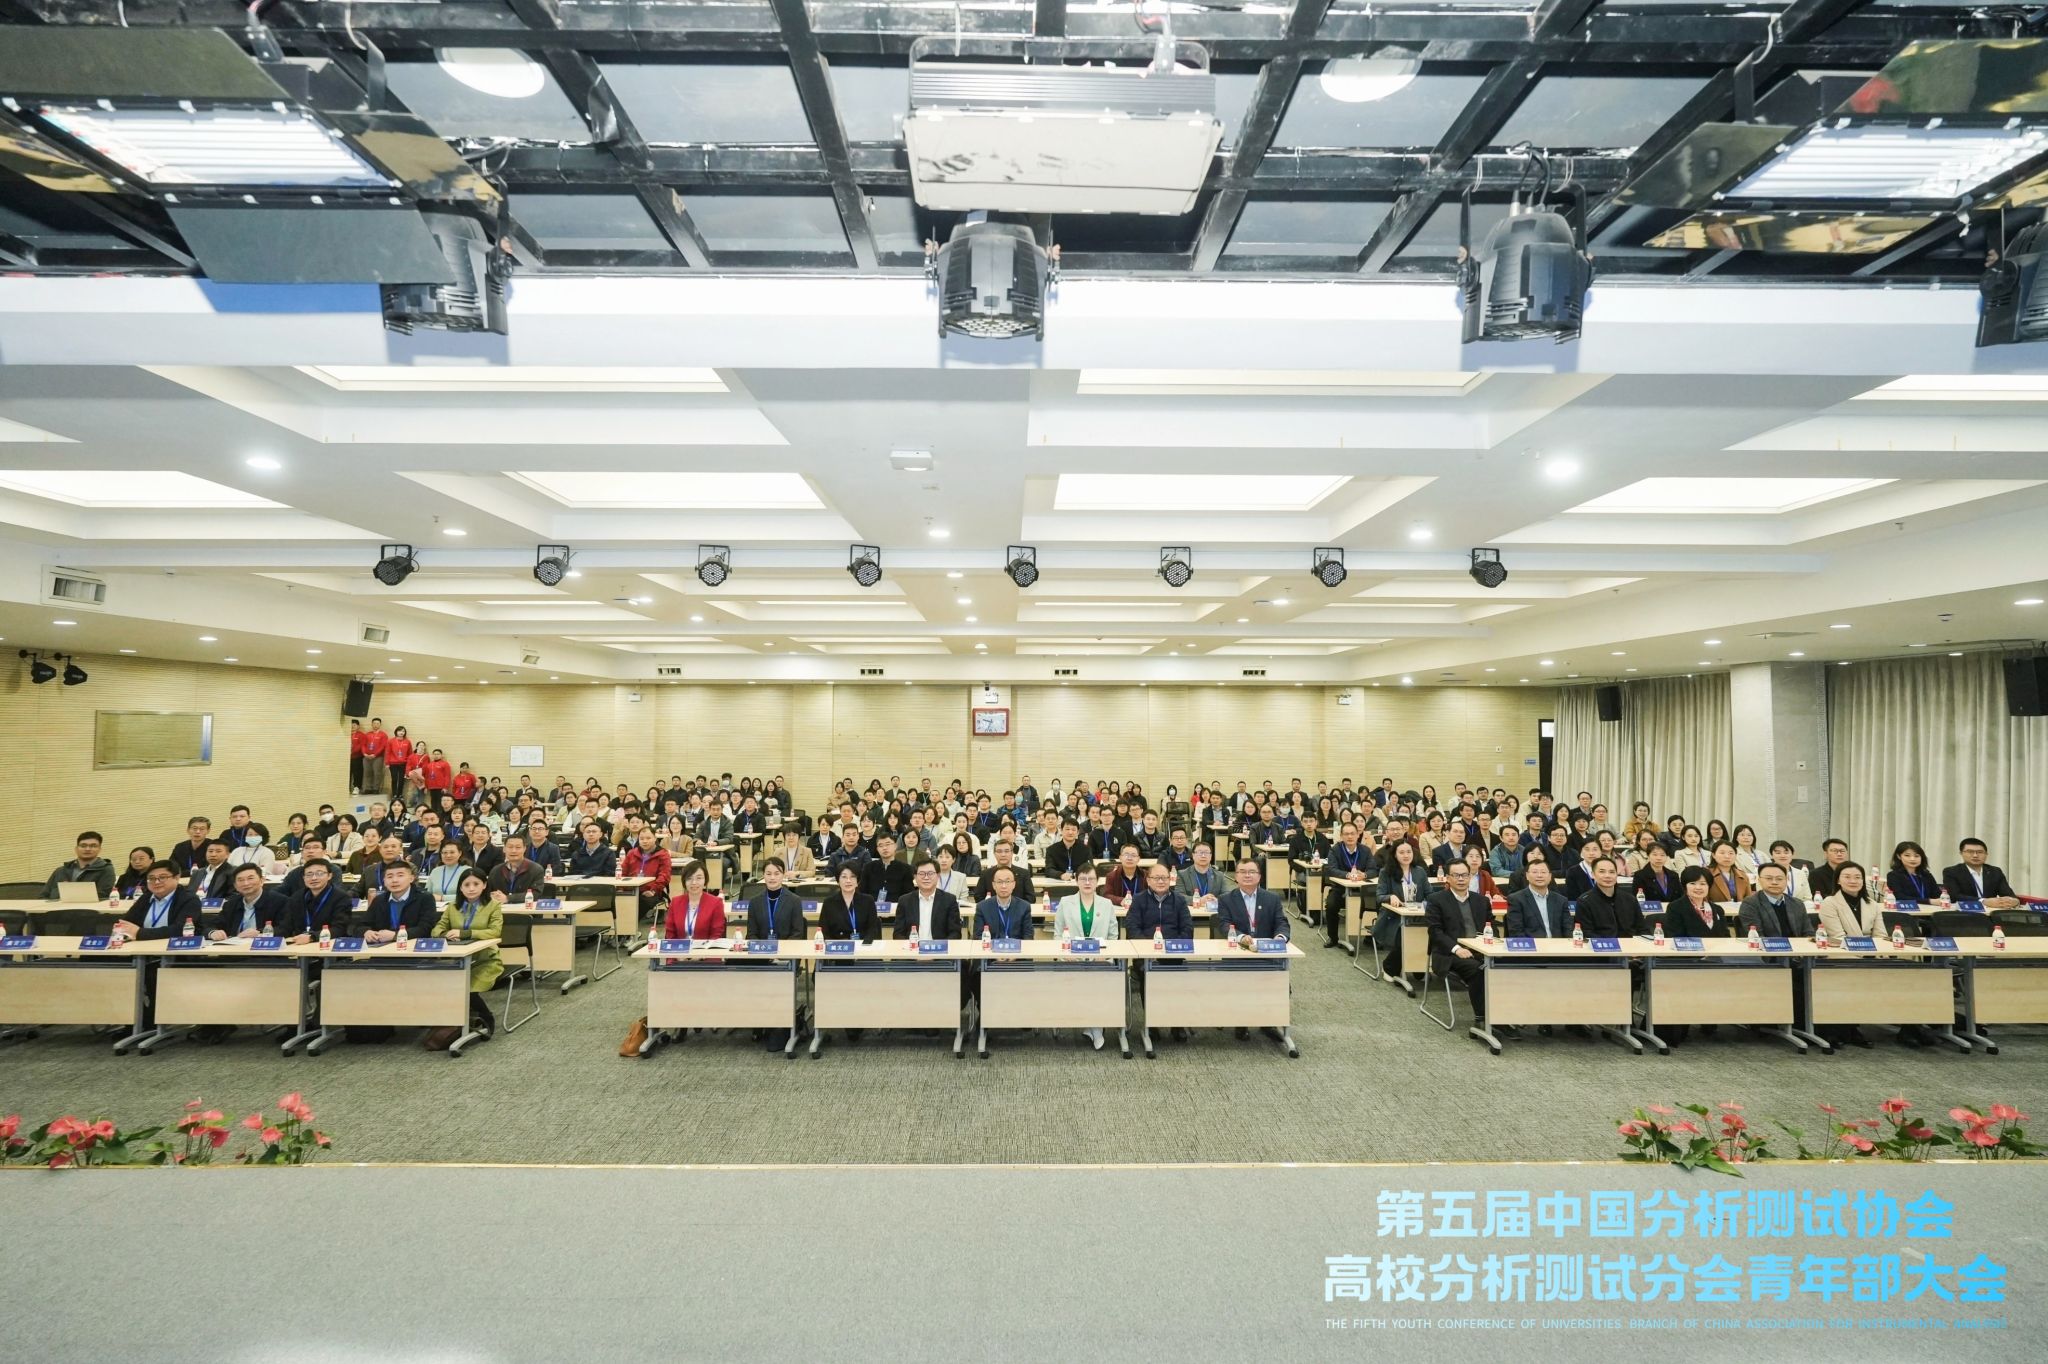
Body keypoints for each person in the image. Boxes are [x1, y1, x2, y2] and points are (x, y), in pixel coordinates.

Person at [429, 869, 504, 1043]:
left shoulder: (493, 906)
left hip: (486, 959)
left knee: (465, 986)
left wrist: (465, 934)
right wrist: (445, 934)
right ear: (460, 888)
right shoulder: (452, 907)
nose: (471, 888)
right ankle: (454, 1020)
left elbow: (495, 931)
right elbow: (436, 930)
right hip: (456, 960)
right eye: (466, 885)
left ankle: (485, 1016)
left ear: (484, 885)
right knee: (442, 984)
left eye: (476, 884)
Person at [1051, 865, 1117, 1049]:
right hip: (1072, 959)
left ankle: (1094, 1027)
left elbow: (1113, 936)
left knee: (1097, 981)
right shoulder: (1065, 902)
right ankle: (1095, 1027)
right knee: (1084, 981)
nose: (1087, 883)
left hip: (1100, 959)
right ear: (1076, 881)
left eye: (1091, 879)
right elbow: (1057, 935)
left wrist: (1106, 955)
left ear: (1098, 882)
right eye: (1083, 879)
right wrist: (1065, 955)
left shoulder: (1106, 904)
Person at [1422, 861, 1490, 1023]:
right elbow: (1435, 932)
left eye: (1465, 875)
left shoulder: (1481, 900)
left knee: (1504, 967)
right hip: (1449, 954)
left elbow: (1490, 925)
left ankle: (1506, 1015)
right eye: (1456, 875)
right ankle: (1484, 1018)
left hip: (1480, 950)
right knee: (1479, 970)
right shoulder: (1436, 900)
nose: (1461, 879)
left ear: (1470, 877)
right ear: (1448, 878)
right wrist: (1456, 948)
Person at [113, 862, 200, 941]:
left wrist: (139, 933)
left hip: (174, 949)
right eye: (151, 878)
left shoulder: (189, 899)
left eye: (162, 877)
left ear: (176, 878)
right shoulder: (145, 898)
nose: (156, 882)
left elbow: (179, 930)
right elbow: (126, 923)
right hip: (142, 948)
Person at [364, 860, 438, 946]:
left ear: (411, 878)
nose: (394, 880)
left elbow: (426, 929)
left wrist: (396, 935)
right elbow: (362, 925)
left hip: (413, 948)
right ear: (384, 881)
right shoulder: (379, 900)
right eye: (390, 876)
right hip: (382, 948)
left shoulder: (425, 898)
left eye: (400, 876)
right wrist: (367, 932)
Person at [208, 864, 287, 940]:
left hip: (264, 947)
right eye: (240, 880)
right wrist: (213, 932)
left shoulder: (279, 901)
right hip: (235, 947)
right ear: (235, 886)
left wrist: (260, 933)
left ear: (262, 880)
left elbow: (285, 928)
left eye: (250, 878)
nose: (246, 883)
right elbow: (211, 925)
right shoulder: (231, 903)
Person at [1218, 857, 1288, 942]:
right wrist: (1241, 937)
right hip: (1238, 946)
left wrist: (1280, 937)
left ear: (1259, 876)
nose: (1247, 875)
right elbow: (1224, 925)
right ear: (1236, 876)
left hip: (1266, 947)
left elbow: (1281, 922)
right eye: (1242, 872)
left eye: (1252, 872)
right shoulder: (1225, 899)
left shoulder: (1272, 898)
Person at [1573, 858, 1645, 937]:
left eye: (1612, 872)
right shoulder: (1585, 901)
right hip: (1602, 943)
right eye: (1602, 872)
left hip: (1631, 942)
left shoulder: (1630, 899)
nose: (1607, 876)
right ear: (1593, 874)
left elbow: (1642, 928)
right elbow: (1586, 932)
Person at [895, 857, 962, 942]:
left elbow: (955, 933)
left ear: (938, 875)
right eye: (921, 874)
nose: (926, 877)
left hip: (939, 948)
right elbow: (898, 933)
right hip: (912, 948)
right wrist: (910, 946)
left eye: (930, 873)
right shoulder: (904, 901)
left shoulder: (949, 900)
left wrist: (941, 946)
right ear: (915, 877)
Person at [282, 859, 347, 943]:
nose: (314, 878)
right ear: (303, 878)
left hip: (328, 944)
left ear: (329, 876)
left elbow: (339, 929)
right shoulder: (297, 897)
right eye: (309, 874)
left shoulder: (341, 897)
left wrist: (312, 937)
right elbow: (286, 926)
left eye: (319, 874)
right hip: (300, 944)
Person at [1942, 837, 2020, 908]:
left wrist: (2014, 901)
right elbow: (1954, 896)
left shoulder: (1995, 871)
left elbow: (2008, 894)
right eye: (1970, 852)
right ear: (1961, 853)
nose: (1975, 855)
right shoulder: (1951, 872)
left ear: (1986, 854)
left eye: (1980, 852)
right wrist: (1983, 901)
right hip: (1965, 912)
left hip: (1991, 912)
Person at [1503, 858, 1571, 939]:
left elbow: (1568, 930)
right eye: (1535, 872)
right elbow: (1516, 932)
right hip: (1531, 945)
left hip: (1557, 945)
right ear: (1527, 876)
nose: (1539, 875)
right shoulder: (1516, 899)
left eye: (1543, 872)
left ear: (1550, 876)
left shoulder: (1561, 900)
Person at [1737, 862, 1806, 940]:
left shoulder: (1797, 904)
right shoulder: (1750, 904)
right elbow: (1757, 937)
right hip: (1766, 947)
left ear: (1786, 880)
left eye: (1779, 879)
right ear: (1759, 881)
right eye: (1769, 878)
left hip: (1798, 947)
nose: (1774, 882)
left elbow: (1808, 933)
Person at [663, 860, 726, 941]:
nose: (694, 882)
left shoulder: (716, 903)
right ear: (684, 881)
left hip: (706, 948)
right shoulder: (675, 902)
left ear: (705, 880)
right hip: (680, 948)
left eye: (699, 878)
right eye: (689, 878)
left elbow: (716, 935)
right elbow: (670, 934)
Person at [42, 830, 114, 900]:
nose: (87, 849)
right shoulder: (60, 871)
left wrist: (70, 891)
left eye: (93, 846)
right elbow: (43, 897)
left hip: (88, 908)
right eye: (83, 846)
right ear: (76, 849)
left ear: (100, 849)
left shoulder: (106, 870)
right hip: (56, 907)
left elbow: (103, 897)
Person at [621, 828, 673, 921]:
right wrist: (621, 888)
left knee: (641, 902)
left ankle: (629, 926)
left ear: (655, 838)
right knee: (618, 899)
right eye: (641, 838)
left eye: (648, 838)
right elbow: (623, 873)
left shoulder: (663, 854)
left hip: (651, 891)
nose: (645, 841)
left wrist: (653, 890)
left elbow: (664, 875)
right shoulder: (632, 853)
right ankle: (624, 925)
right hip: (631, 889)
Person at [974, 865, 1035, 942]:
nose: (1003, 886)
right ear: (994, 885)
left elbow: (1028, 936)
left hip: (1016, 948)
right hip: (991, 948)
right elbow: (978, 937)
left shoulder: (1024, 907)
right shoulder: (982, 907)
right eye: (999, 882)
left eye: (1007, 881)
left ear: (1014, 884)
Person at [821, 865, 879, 943]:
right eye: (844, 877)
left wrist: (864, 945)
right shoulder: (829, 902)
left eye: (852, 877)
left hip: (862, 945)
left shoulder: (868, 900)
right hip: (838, 946)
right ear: (838, 881)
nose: (848, 881)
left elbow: (872, 929)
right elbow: (823, 932)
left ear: (858, 881)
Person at [486, 834, 547, 904]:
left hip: (525, 909)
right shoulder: (496, 870)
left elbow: (536, 894)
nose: (514, 851)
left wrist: (508, 898)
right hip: (500, 909)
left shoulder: (536, 869)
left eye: (518, 847)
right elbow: (488, 892)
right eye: (510, 847)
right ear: (504, 849)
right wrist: (493, 895)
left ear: (524, 849)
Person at [861, 832, 915, 905]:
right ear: (877, 849)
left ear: (895, 846)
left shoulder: (906, 869)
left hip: (896, 908)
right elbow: (862, 892)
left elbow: (909, 895)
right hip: (872, 908)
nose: (884, 848)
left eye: (888, 844)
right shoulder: (868, 868)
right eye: (881, 845)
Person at [1632, 842, 1680, 906]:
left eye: (1662, 855)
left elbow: (1680, 897)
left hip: (1672, 910)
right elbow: (1639, 900)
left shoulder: (1673, 875)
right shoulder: (1640, 876)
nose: (1659, 858)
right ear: (1648, 856)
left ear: (1667, 857)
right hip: (1651, 910)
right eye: (1655, 855)